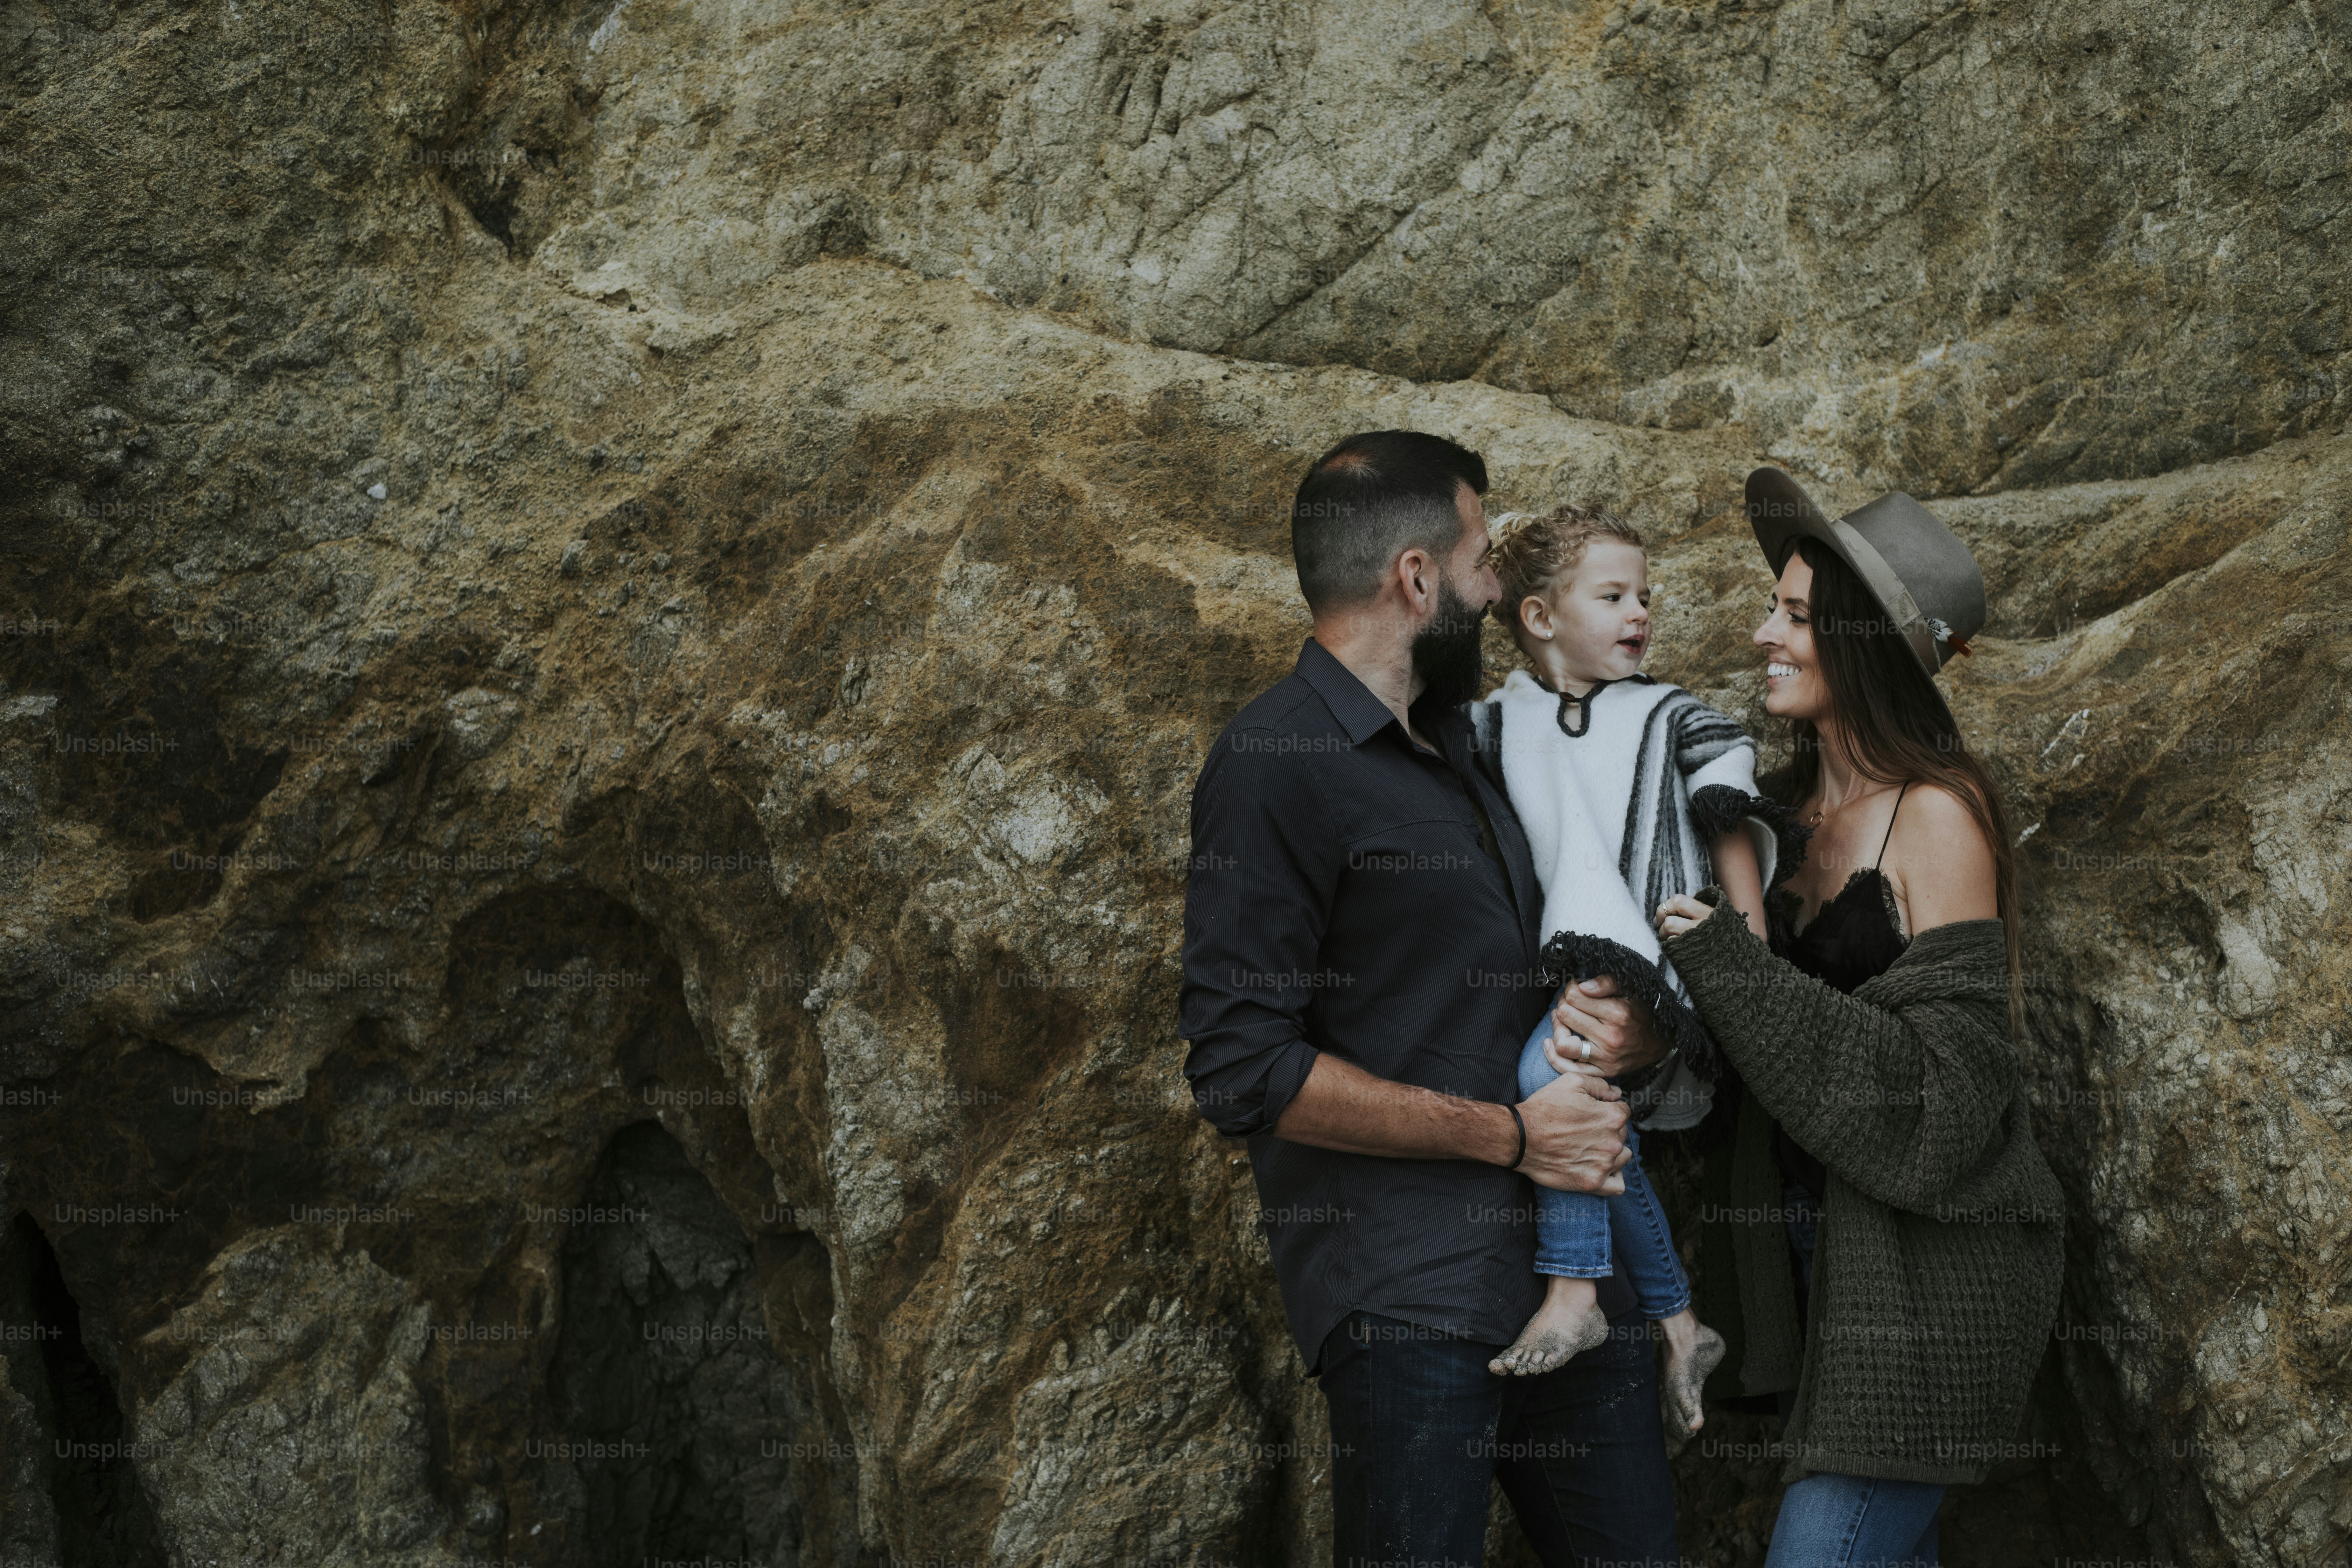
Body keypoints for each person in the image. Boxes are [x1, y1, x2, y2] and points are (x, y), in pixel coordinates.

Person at [1180, 431, 1684, 1565]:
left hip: (1576, 1279)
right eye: (1482, 560)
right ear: (1418, 581)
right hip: (1407, 1297)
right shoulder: (1273, 760)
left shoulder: (1474, 743)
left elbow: (1576, 947)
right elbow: (1239, 1068)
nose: (1497, 588)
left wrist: (1638, 1027)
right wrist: (1511, 1136)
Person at [1653, 468, 2066, 1568]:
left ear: (1862, 641)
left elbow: (1952, 1100)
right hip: (1810, 1255)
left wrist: (1728, 966)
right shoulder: (1775, 819)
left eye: (1793, 616)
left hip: (1935, 1274)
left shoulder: (1936, 818)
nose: (1760, 635)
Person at [1470, 503, 1802, 1440]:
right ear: (1539, 618)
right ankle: (1681, 1322)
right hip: (1593, 961)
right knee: (1608, 1128)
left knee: (1552, 1076)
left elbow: (1725, 823)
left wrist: (1749, 963)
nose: (1639, 613)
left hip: (1670, 966)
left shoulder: (1670, 714)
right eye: (1612, 595)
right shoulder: (1507, 721)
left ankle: (1573, 1292)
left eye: (1645, 596)